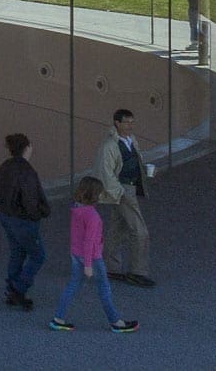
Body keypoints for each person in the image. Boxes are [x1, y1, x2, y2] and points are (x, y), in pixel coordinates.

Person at [49, 176, 139, 333]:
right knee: (104, 288)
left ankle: (58, 318)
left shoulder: (77, 209)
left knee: (73, 285)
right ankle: (116, 322)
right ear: (95, 195)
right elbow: (89, 241)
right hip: (92, 257)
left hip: (76, 254)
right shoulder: (92, 216)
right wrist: (88, 265)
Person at [95, 109, 153, 287]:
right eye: (127, 122)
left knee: (117, 229)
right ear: (117, 123)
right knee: (140, 231)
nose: (130, 125)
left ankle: (111, 266)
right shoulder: (109, 146)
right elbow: (106, 172)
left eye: (132, 122)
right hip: (123, 190)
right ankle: (138, 271)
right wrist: (119, 192)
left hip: (127, 188)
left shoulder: (130, 140)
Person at [0, 132, 50, 311]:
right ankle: (18, 289)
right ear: (26, 147)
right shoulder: (26, 170)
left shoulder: (5, 167)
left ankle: (11, 288)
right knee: (38, 255)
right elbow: (30, 200)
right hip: (23, 220)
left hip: (7, 216)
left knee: (17, 252)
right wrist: (39, 213)